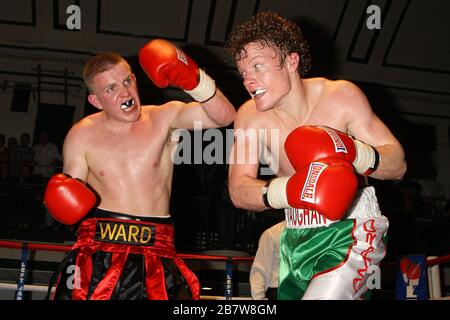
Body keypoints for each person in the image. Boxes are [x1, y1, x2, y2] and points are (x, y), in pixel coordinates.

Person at [225, 12, 407, 300]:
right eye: (244, 73)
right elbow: (238, 189)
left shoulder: (341, 97)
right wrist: (290, 190)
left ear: (291, 62)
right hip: (295, 235)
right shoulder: (249, 116)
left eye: (258, 67)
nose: (249, 81)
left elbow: (397, 163)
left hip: (352, 229)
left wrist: (353, 151)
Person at [43, 39, 236, 300]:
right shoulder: (81, 135)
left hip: (155, 252)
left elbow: (224, 117)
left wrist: (195, 81)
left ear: (134, 79)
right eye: (111, 88)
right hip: (99, 251)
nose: (124, 93)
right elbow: (72, 204)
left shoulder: (163, 117)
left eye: (126, 81)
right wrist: (60, 202)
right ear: (96, 100)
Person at [250, 220, 285, 300]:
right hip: (277, 291)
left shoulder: (314, 233)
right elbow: (260, 270)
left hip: (308, 290)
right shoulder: (272, 233)